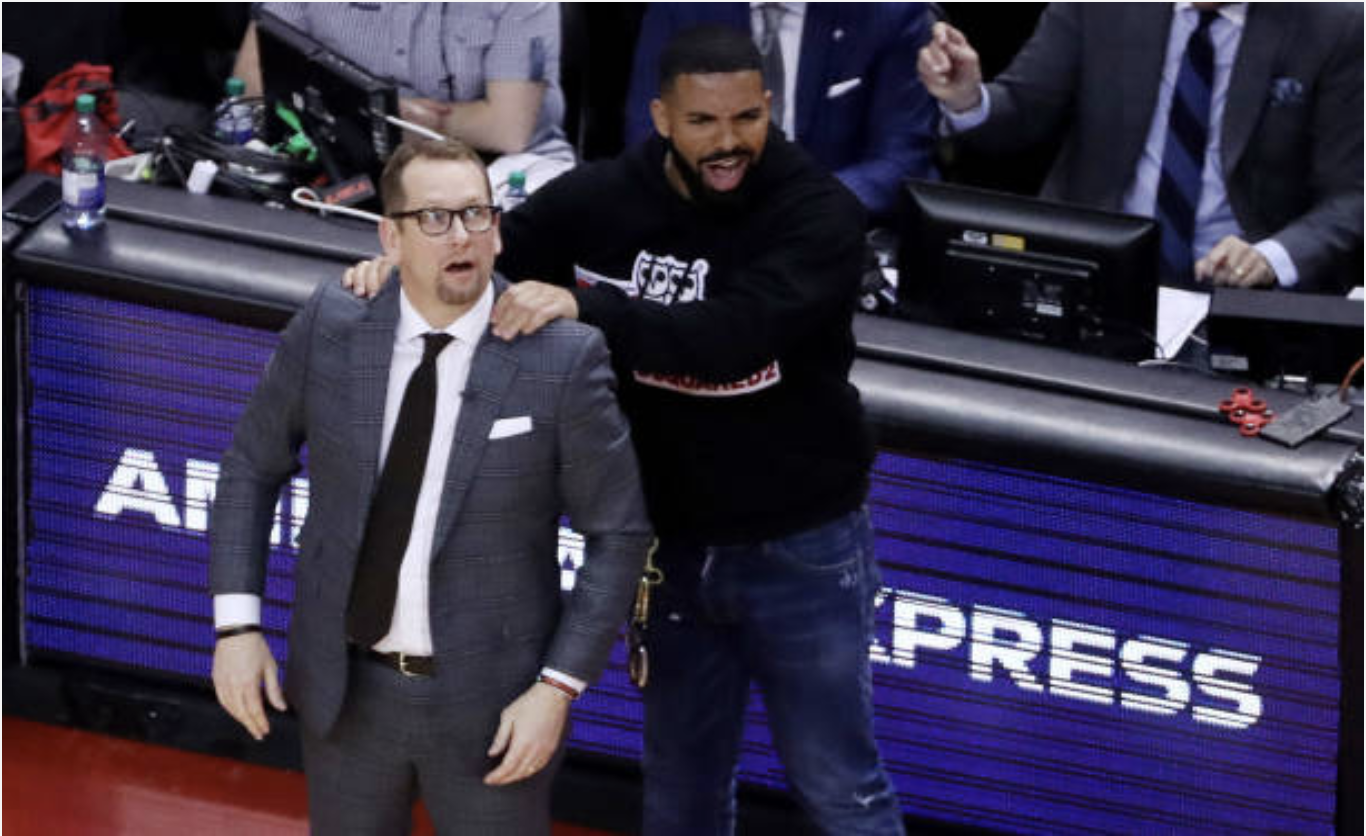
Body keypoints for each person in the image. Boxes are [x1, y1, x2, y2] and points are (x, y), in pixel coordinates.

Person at [347, 25, 904, 836]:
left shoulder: (817, 215)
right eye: (704, 122)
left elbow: (731, 340)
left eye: (746, 119)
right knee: (680, 788)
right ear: (661, 118)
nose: (728, 142)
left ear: (769, 109)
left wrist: (589, 306)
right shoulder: (606, 196)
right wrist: (406, 265)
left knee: (840, 788)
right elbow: (493, 254)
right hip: (667, 547)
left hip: (801, 549)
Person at [210, 137, 651, 835]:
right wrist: (237, 627)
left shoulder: (562, 359)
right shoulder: (334, 321)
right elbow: (249, 467)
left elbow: (619, 533)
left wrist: (558, 688)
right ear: (391, 235)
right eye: (435, 219)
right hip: (345, 696)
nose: (463, 236)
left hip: (493, 710)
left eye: (477, 215)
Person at [917, 3, 1363, 294]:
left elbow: (1350, 195)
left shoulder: (1335, 24)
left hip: (1240, 291)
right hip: (1092, 269)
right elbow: (1025, 110)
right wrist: (968, 99)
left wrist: (1272, 255)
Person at [623, 3, 938, 222]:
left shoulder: (890, 11)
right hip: (701, 221)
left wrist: (803, 203)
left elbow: (901, 159)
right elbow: (651, 131)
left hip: (827, 231)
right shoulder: (681, 6)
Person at [233, 3, 576, 195]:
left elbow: (506, 129)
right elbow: (251, 81)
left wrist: (397, 120)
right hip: (341, 153)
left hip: (496, 168)